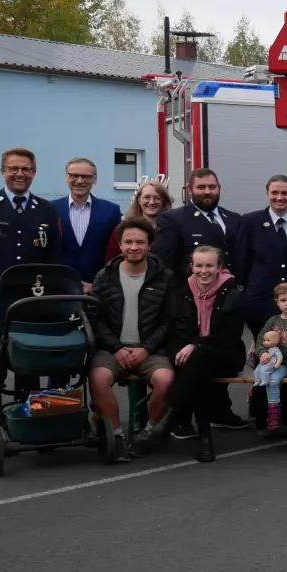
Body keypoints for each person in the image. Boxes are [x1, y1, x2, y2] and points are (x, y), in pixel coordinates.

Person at [0, 147, 62, 446]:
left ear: (34, 172)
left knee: (28, 360)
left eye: (26, 169)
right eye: (14, 169)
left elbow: (54, 257)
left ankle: (26, 414)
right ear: (3, 171)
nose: (20, 174)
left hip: (31, 299)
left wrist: (54, 296)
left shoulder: (45, 209)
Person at [138, 246, 245, 463]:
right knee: (197, 370)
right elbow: (174, 329)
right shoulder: (181, 290)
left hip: (224, 354)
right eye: (198, 265)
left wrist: (196, 345)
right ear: (191, 267)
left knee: (196, 362)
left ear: (219, 267)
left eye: (209, 265)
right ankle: (204, 439)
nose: (203, 271)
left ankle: (168, 422)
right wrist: (188, 348)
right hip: (189, 356)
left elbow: (230, 336)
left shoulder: (232, 292)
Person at [87, 217, 175, 460]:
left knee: (166, 380)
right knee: (98, 377)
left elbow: (170, 321)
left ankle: (148, 434)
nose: (134, 247)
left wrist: (146, 348)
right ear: (120, 245)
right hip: (113, 350)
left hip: (151, 351)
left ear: (150, 245)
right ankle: (116, 436)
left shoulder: (165, 277)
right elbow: (95, 319)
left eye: (140, 242)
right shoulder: (104, 276)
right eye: (128, 242)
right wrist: (116, 348)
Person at [236, 175, 287, 344]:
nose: (279, 198)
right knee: (265, 352)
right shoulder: (250, 221)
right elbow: (242, 260)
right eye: (274, 192)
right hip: (260, 300)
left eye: (285, 193)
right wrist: (244, 294)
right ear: (267, 194)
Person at [153, 168, 242, 281]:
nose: (207, 192)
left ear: (219, 188)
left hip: (232, 292)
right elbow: (163, 263)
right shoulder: (173, 219)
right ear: (190, 190)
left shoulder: (234, 219)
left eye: (212, 187)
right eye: (201, 187)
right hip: (192, 293)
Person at [55, 157, 121, 288]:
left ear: (94, 179)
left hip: (99, 287)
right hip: (60, 287)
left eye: (86, 176)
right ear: (66, 178)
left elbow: (116, 254)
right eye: (74, 175)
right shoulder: (51, 209)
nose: (79, 181)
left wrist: (101, 284)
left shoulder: (111, 210)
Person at [250, 282, 287, 433]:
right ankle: (274, 415)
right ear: (277, 302)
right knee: (272, 380)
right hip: (277, 363)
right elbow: (261, 338)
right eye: (283, 300)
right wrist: (262, 352)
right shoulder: (273, 321)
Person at [105, 179, 173, 262]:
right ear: (139, 200)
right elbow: (112, 261)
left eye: (157, 198)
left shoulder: (172, 229)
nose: (151, 202)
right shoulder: (123, 229)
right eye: (147, 197)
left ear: (164, 201)